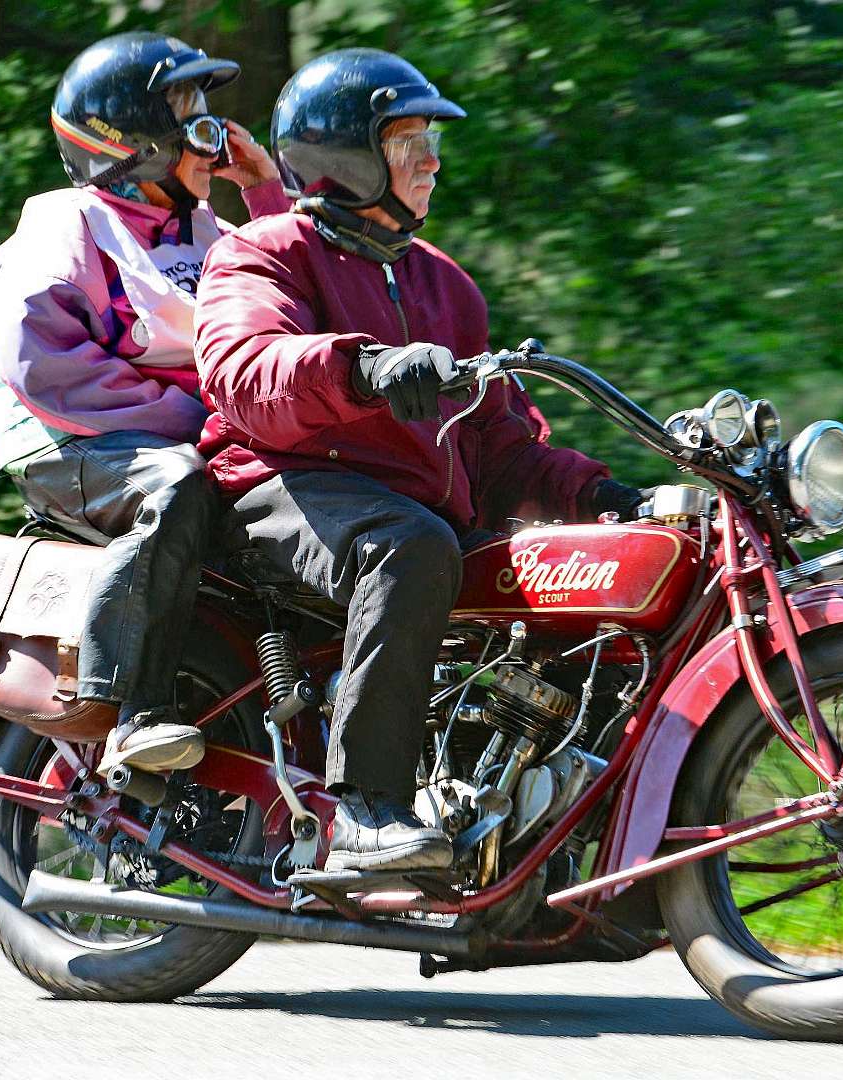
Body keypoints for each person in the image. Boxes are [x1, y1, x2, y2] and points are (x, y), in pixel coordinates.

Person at [194, 49, 646, 873]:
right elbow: (246, 372)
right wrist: (363, 368)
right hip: (283, 483)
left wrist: (602, 497)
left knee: (583, 585)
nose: (432, 162)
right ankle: (364, 810)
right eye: (408, 144)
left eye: (430, 143)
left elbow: (500, 446)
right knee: (410, 547)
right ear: (345, 158)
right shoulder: (265, 251)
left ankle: (549, 851)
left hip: (412, 507)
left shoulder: (445, 286)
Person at [0, 31, 288, 777]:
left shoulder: (207, 230)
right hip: (72, 439)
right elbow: (45, 365)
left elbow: (292, 300)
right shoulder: (68, 224)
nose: (215, 138)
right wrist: (198, 423)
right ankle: (135, 710)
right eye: (192, 118)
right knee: (175, 486)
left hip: (187, 434)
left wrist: (266, 190)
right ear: (135, 145)